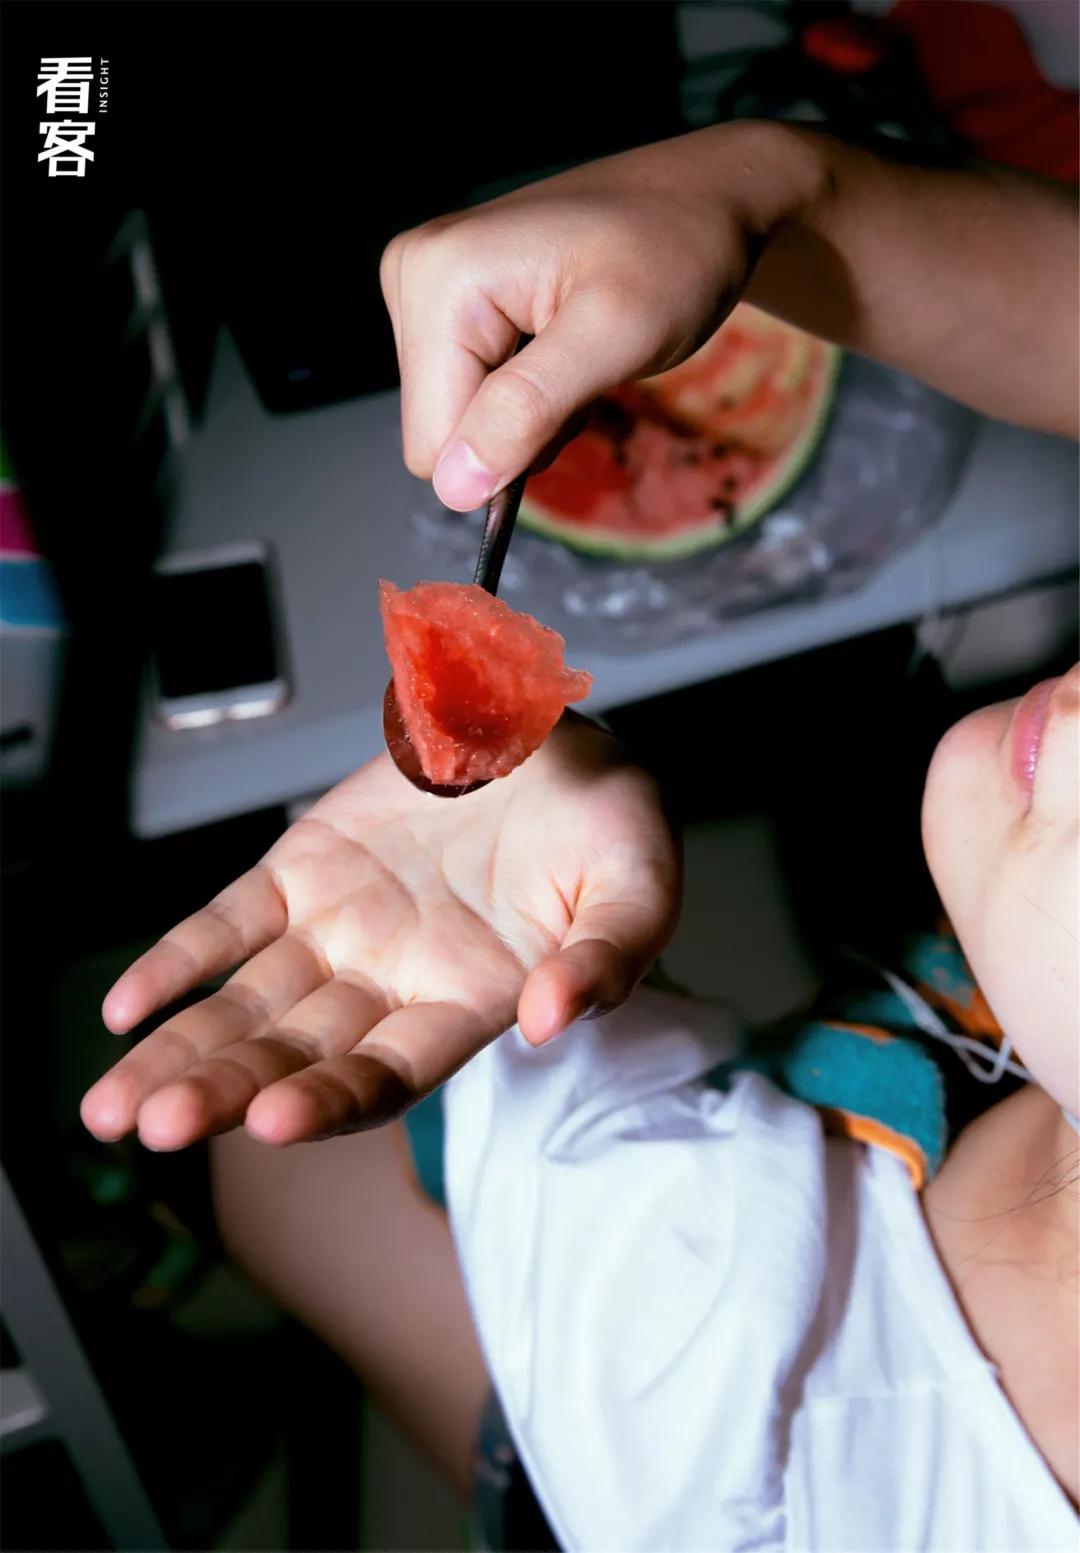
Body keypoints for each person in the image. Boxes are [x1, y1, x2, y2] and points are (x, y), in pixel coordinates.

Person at [82, 121, 1078, 1548]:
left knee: (270, 1165)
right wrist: (775, 186)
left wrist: (532, 910)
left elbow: (601, 1154)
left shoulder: (730, 1409)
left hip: (613, 1421)